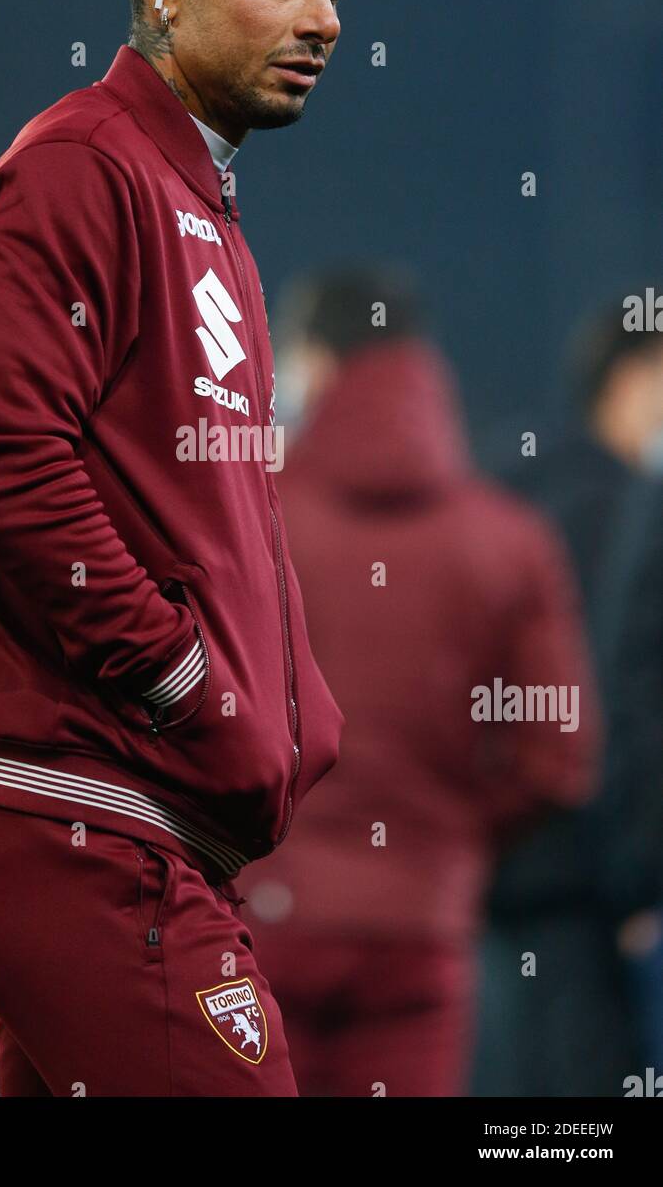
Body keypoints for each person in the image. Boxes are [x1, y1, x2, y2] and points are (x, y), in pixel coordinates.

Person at [0, 0, 351, 1097]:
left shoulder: (193, 201)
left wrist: (293, 708)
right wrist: (183, 679)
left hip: (122, 823)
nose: (322, 17)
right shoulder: (77, 170)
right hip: (74, 819)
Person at [235, 267, 602, 1096]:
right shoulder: (510, 540)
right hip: (422, 926)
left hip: (263, 918)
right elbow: (559, 756)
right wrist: (454, 838)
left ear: (318, 364)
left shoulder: (251, 511)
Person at [471, 304, 663, 1095]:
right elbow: (633, 697)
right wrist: (642, 871)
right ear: (633, 378)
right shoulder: (626, 508)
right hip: (595, 865)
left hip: (495, 859)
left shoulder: (500, 492)